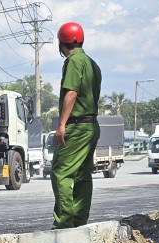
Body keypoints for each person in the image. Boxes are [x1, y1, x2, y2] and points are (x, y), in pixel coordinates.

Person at [51, 22, 102, 229]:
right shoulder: (92, 63)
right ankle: (79, 221)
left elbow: (71, 92)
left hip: (77, 126)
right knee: (82, 174)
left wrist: (62, 124)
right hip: (91, 126)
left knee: (61, 173)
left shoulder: (73, 62)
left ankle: (64, 223)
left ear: (62, 43)